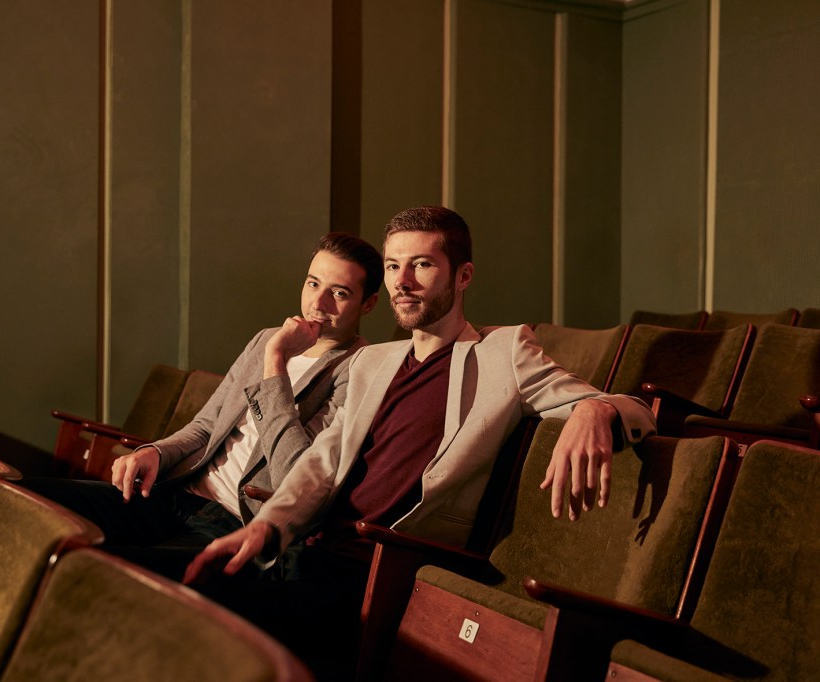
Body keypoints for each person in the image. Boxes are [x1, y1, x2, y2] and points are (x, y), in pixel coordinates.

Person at [181, 206, 657, 680]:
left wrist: (596, 409)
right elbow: (324, 460)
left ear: (463, 275)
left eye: (422, 265)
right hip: (303, 550)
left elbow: (635, 411)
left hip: (377, 573)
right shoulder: (373, 362)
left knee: (203, 616)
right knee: (178, 589)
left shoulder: (504, 353)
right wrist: (267, 527)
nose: (402, 281)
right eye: (392, 266)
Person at [21, 232, 383, 578]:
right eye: (312, 283)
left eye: (339, 293)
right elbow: (206, 426)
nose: (318, 304)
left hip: (234, 521)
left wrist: (276, 362)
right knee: (24, 498)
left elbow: (295, 474)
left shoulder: (355, 372)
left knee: (97, 568)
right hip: (179, 493)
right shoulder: (266, 339)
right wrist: (156, 453)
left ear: (368, 303)